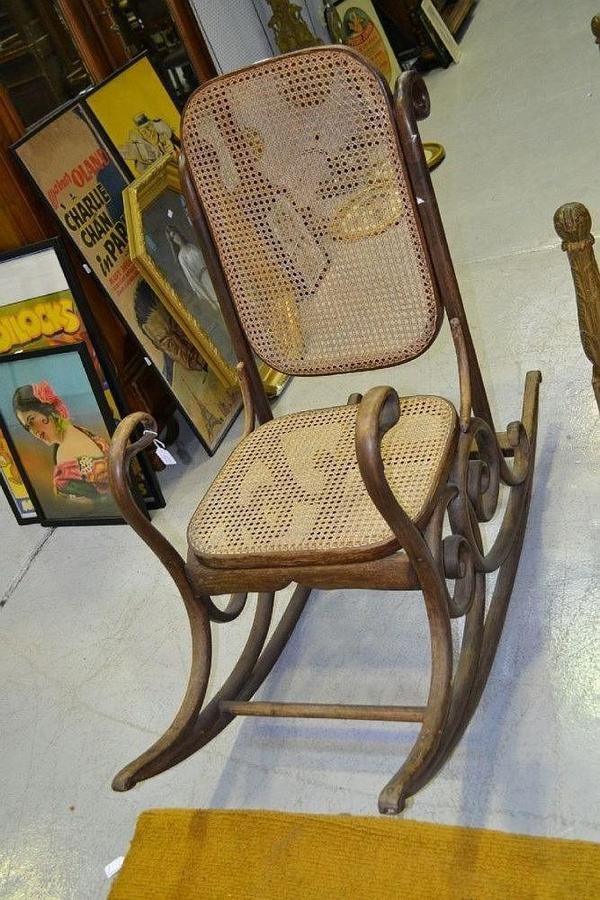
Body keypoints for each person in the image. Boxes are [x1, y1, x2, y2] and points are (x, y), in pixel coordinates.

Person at [13, 382, 111, 503]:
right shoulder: (76, 431)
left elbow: (90, 504)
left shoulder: (65, 451)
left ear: (48, 409)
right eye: (27, 427)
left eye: (32, 419)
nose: (34, 432)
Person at [165, 224, 220, 317]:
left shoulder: (191, 246)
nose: (176, 237)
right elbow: (193, 280)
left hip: (212, 273)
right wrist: (209, 300)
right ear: (172, 241)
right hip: (206, 282)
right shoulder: (181, 257)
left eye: (175, 233)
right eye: (172, 237)